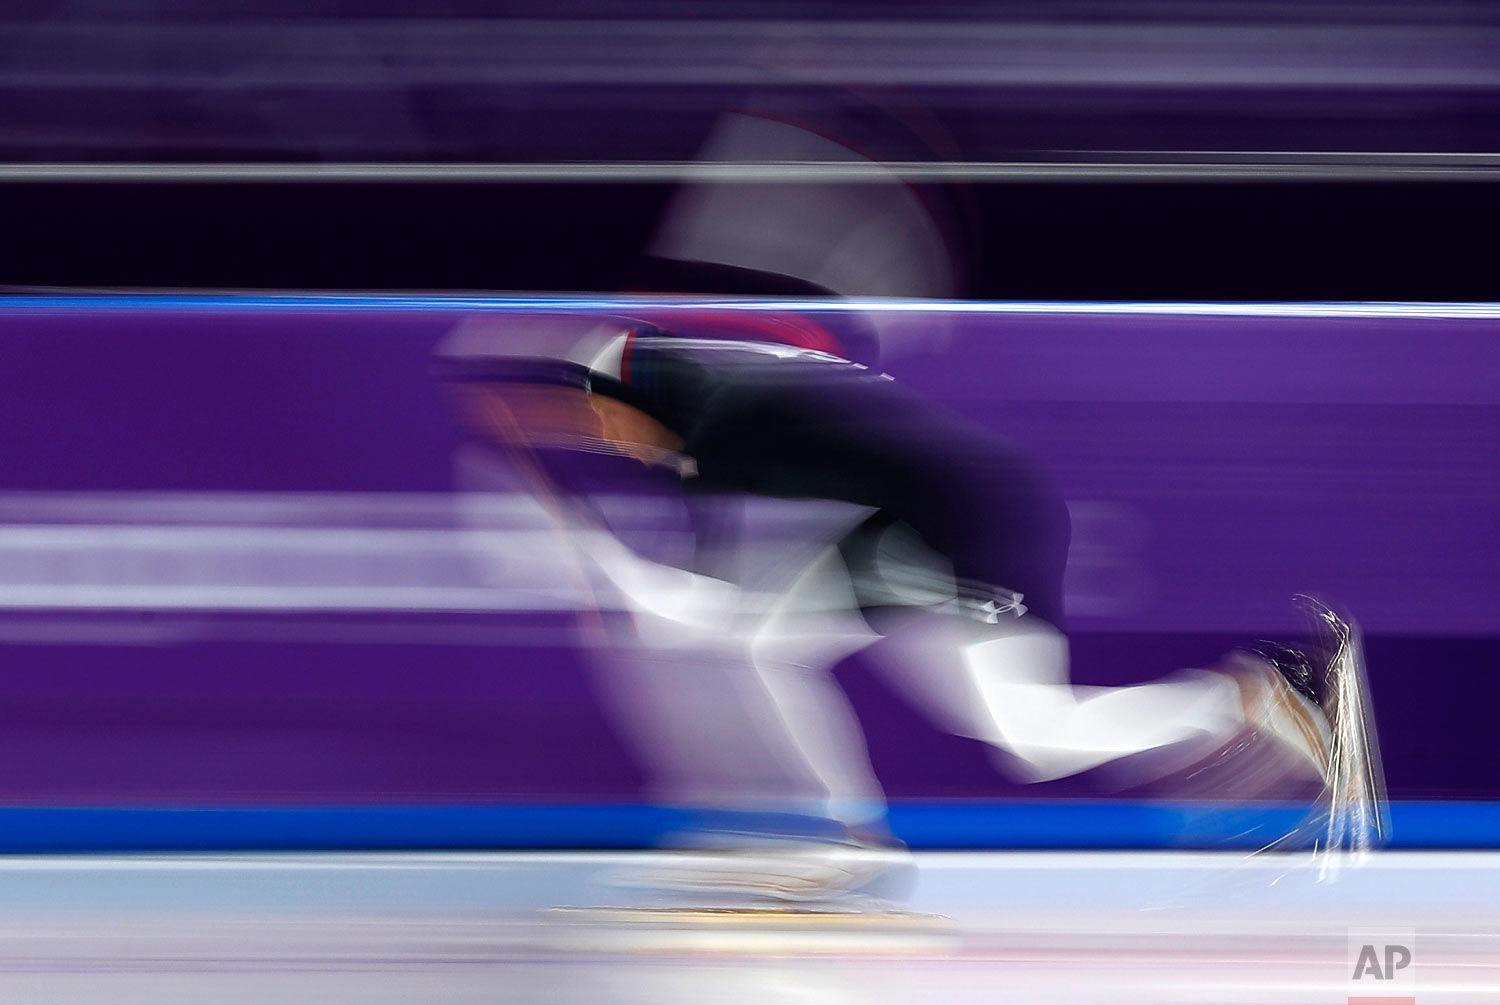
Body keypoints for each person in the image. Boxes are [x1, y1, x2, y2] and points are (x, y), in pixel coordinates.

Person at [435, 296, 1336, 904]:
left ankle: (839, 840)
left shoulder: (716, 417)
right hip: (895, 522)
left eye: (584, 423)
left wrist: (623, 582)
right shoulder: (667, 384)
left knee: (1005, 728)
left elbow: (715, 590)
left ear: (603, 387)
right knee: (1016, 729)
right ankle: (1235, 700)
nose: (598, 445)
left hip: (968, 520)